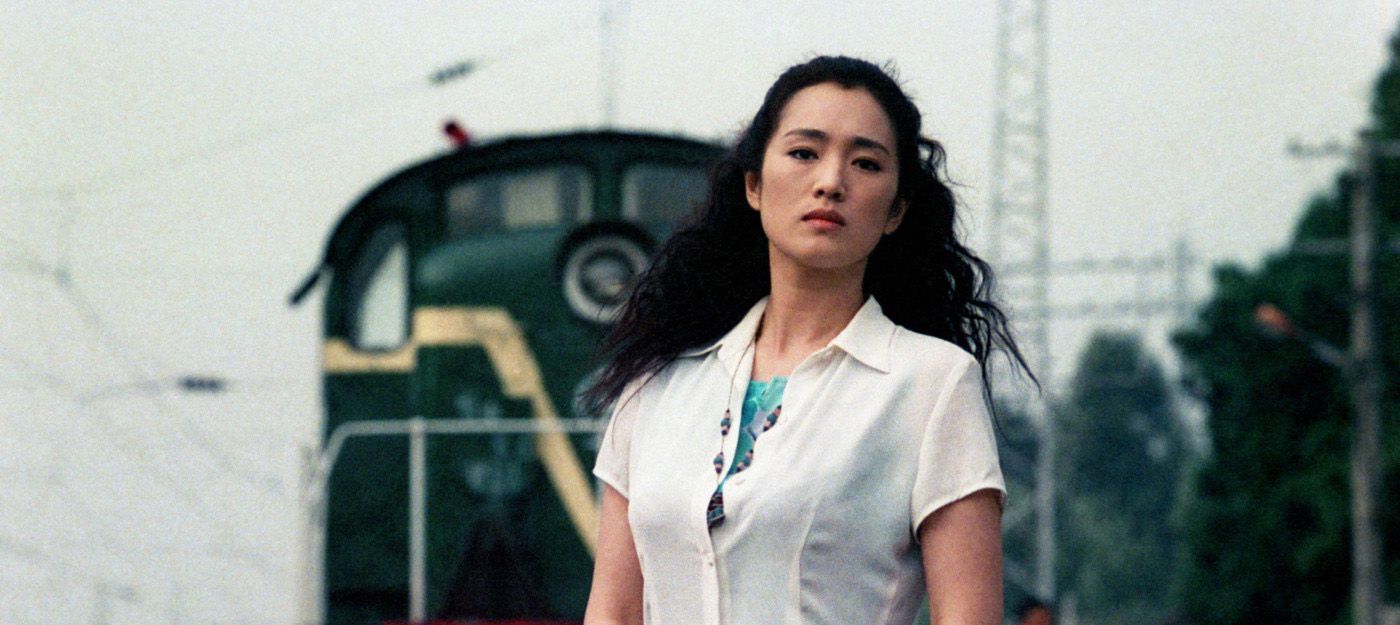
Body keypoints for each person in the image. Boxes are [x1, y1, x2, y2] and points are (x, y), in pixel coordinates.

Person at [580, 55, 1033, 625]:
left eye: (865, 163)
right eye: (804, 153)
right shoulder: (656, 381)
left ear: (895, 210)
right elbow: (613, 612)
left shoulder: (933, 385)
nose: (831, 182)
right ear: (754, 184)